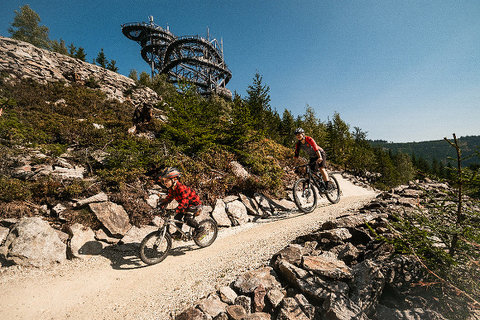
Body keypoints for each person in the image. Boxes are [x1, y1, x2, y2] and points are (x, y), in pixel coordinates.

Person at [157, 167, 204, 239]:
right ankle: (179, 233)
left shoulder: (181, 187)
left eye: (166, 180)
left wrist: (176, 210)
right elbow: (169, 198)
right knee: (177, 217)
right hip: (185, 205)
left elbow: (185, 202)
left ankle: (200, 229)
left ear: (174, 179)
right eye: (163, 181)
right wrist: (161, 204)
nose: (165, 183)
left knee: (187, 219)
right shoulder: (172, 189)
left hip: (194, 204)